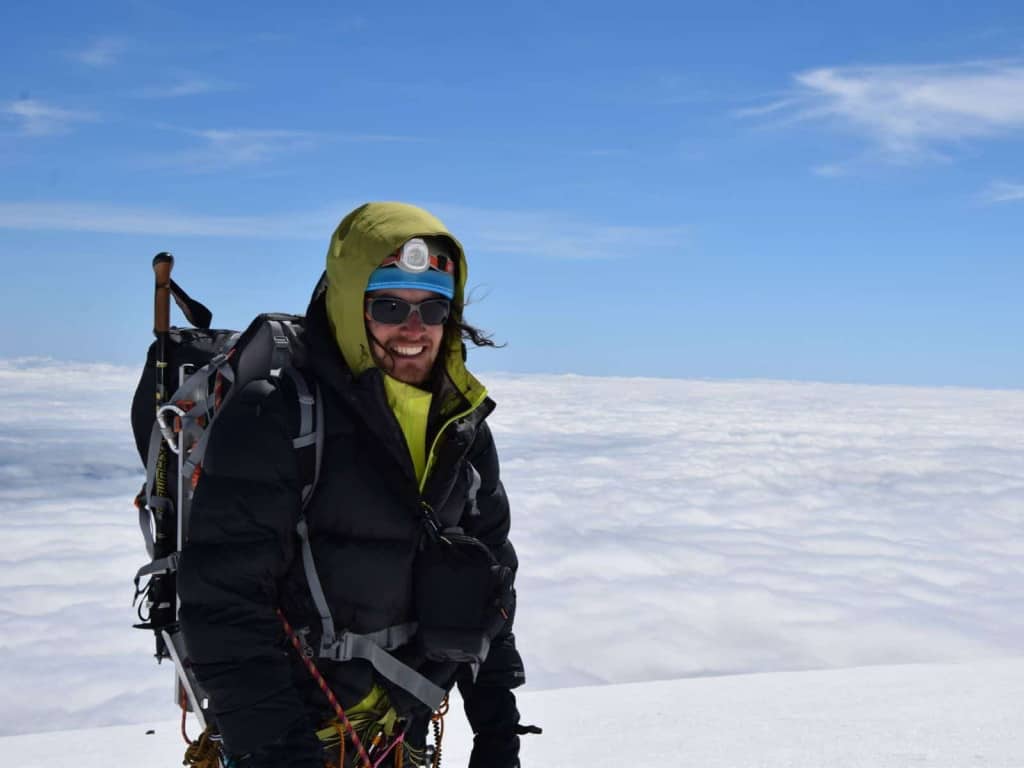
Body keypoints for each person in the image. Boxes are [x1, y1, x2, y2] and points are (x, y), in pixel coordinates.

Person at [179, 202, 528, 767]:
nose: (413, 330)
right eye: (388, 306)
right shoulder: (278, 418)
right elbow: (225, 605)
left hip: (403, 732)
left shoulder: (460, 429)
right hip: (299, 738)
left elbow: (489, 588)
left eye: (433, 309)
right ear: (349, 306)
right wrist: (280, 755)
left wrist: (496, 735)